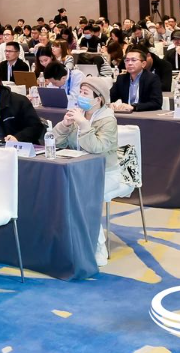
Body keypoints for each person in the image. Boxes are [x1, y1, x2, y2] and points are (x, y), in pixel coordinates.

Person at [52, 80, 125, 266]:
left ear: (98, 99)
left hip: (106, 174)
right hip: (78, 172)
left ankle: (97, 246)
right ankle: (67, 243)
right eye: (81, 92)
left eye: (85, 93)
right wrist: (65, 125)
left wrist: (84, 125)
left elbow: (98, 148)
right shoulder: (78, 115)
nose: (80, 97)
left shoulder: (108, 120)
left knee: (83, 197)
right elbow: (56, 143)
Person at [109, 47, 163, 113]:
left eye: (133, 60)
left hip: (145, 114)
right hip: (126, 114)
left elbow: (156, 103)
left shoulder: (152, 78)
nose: (129, 63)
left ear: (143, 64)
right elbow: (110, 97)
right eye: (127, 60)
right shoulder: (121, 79)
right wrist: (111, 104)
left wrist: (134, 107)